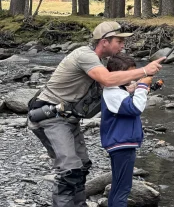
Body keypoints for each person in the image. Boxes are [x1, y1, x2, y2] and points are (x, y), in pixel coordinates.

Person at [28, 21, 165, 207]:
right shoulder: (85, 55)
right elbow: (108, 80)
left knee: (82, 166)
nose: (123, 45)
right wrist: (144, 71)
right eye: (119, 41)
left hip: (69, 119)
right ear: (104, 41)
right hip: (49, 116)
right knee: (69, 169)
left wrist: (143, 86)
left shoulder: (100, 63)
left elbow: (115, 89)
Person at [101, 53, 152, 207]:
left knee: (118, 186)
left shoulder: (116, 89)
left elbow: (126, 99)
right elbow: (135, 108)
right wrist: (142, 86)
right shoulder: (113, 92)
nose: (133, 77)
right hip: (122, 145)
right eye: (130, 74)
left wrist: (140, 88)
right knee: (123, 188)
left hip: (120, 144)